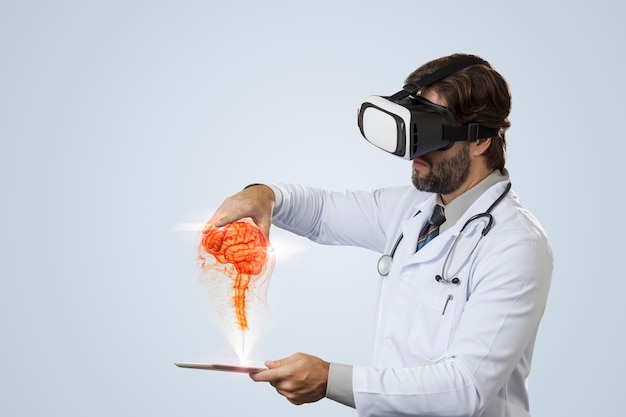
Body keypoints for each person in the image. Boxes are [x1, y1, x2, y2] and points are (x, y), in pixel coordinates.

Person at [204, 53, 553, 417]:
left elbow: (465, 387)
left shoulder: (516, 246)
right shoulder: (413, 206)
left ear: (480, 140)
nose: (412, 153)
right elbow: (323, 212)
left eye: (429, 132)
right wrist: (265, 195)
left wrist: (329, 379)